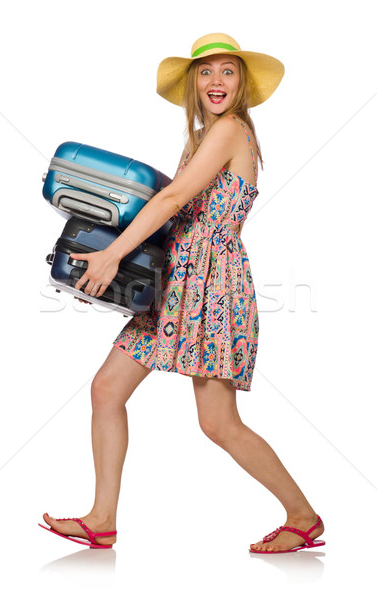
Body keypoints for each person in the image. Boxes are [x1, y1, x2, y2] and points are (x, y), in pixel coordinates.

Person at [40, 33, 325, 554]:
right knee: (107, 391)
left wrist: (109, 256)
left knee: (218, 423)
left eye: (228, 72)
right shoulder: (203, 134)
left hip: (213, 286)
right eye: (206, 72)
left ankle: (303, 516)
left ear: (241, 85)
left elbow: (172, 199)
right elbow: (170, 222)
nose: (216, 81)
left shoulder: (232, 130)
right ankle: (102, 519)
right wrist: (113, 276)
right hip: (177, 281)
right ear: (194, 82)